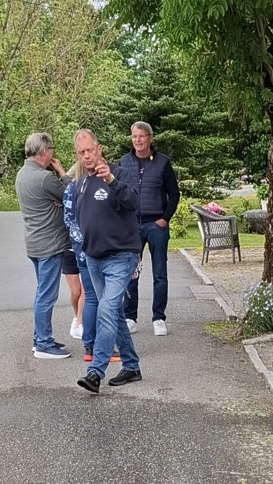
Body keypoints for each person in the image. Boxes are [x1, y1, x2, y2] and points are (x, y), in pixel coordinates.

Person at [74, 130, 143, 392]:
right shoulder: (82, 182)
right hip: (94, 258)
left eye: (89, 150)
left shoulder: (119, 173)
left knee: (105, 310)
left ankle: (95, 372)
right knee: (113, 313)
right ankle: (131, 366)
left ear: (99, 149)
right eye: (81, 152)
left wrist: (111, 181)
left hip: (121, 256)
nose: (86, 156)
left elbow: (134, 202)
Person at [118, 120, 180, 336]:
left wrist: (164, 218)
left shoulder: (162, 162)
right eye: (134, 136)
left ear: (149, 138)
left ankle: (158, 317)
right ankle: (130, 316)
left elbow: (174, 194)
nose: (138, 140)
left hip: (156, 225)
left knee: (159, 273)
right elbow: (117, 192)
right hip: (131, 225)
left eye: (141, 136)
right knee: (130, 272)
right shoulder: (123, 162)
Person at [16, 132, 71, 360]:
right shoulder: (45, 177)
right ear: (45, 151)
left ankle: (40, 337)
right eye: (51, 150)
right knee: (46, 295)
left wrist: (56, 201)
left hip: (34, 241)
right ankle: (44, 344)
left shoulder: (22, 174)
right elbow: (71, 195)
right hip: (49, 243)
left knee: (42, 292)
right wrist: (62, 173)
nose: (52, 154)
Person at [61, 160, 90, 343]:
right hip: (69, 245)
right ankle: (76, 316)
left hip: (87, 246)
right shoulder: (69, 190)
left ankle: (80, 322)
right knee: (75, 291)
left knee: (87, 289)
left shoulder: (93, 190)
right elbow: (67, 219)